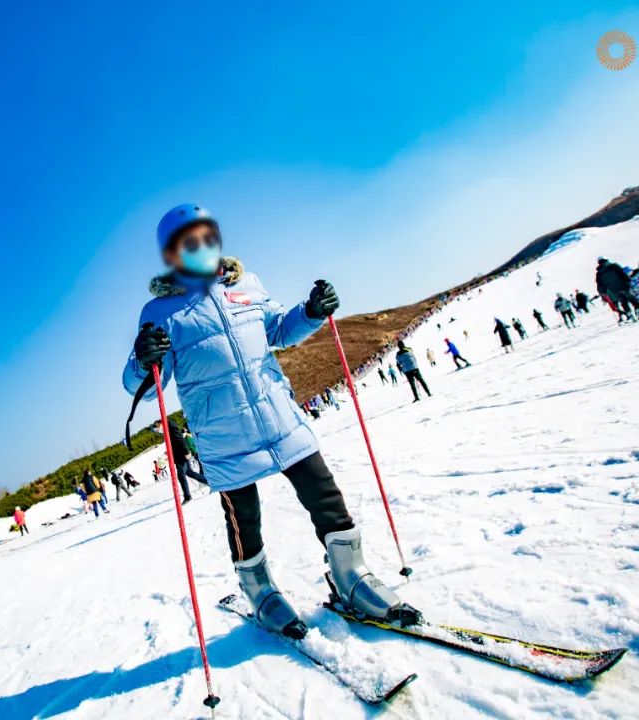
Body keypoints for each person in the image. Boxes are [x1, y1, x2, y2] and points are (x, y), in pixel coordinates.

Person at [123, 203, 419, 639]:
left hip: (280, 420)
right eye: (190, 241)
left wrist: (313, 311)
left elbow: (279, 329)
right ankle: (261, 592)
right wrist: (141, 358)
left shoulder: (247, 285)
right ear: (173, 253)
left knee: (325, 495)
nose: (203, 246)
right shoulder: (160, 312)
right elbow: (146, 383)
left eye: (208, 236)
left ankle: (351, 575)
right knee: (245, 521)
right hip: (224, 438)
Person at [152, 418, 207, 504]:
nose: (158, 431)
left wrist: (187, 451)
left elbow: (180, 438)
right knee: (189, 473)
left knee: (181, 475)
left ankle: (187, 496)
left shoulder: (170, 425)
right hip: (178, 456)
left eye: (157, 428)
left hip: (182, 455)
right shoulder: (166, 429)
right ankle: (208, 481)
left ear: (160, 423)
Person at [595, 257, 639, 321]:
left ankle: (630, 314)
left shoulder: (599, 273)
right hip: (624, 286)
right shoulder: (614, 266)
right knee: (633, 299)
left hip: (614, 291)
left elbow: (600, 285)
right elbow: (623, 274)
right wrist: (628, 281)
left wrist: (603, 293)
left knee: (623, 302)